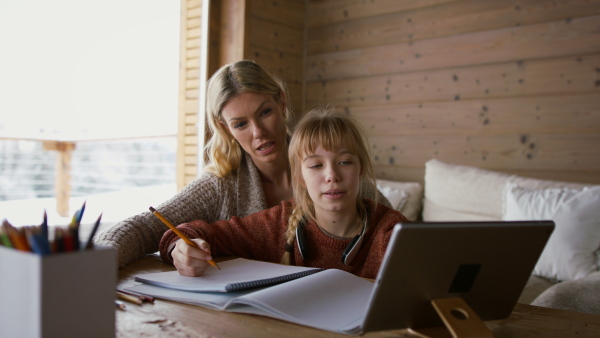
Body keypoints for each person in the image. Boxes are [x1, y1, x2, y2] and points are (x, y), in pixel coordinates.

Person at [96, 60, 391, 267]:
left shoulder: (334, 171)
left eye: (264, 113)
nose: (258, 132)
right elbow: (149, 226)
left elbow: (395, 231)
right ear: (224, 129)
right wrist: (94, 262)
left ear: (282, 103)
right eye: (240, 124)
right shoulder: (220, 185)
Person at [160, 108, 408, 279]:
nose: (332, 175)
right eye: (316, 165)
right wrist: (179, 248)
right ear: (300, 176)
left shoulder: (391, 232)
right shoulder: (278, 223)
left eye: (344, 162)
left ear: (361, 169)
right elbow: (192, 234)